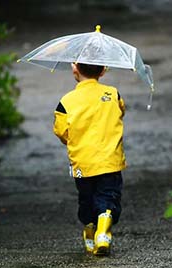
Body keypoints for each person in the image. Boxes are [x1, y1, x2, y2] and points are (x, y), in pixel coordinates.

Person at [53, 62, 126, 256]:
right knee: (108, 196)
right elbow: (121, 111)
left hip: (82, 163)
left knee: (86, 198)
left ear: (74, 69)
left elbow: (61, 131)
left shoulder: (67, 101)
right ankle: (103, 231)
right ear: (103, 70)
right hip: (110, 160)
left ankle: (90, 231)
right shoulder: (112, 94)